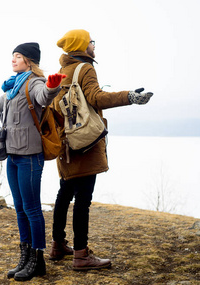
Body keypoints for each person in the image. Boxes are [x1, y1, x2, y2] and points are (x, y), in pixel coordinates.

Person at [50, 29, 153, 270]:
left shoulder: (62, 71)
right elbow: (96, 98)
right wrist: (129, 97)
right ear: (81, 45)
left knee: (64, 193)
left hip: (66, 142)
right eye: (91, 42)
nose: (93, 46)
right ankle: (81, 255)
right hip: (84, 141)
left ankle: (57, 245)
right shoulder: (85, 68)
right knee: (83, 200)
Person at [0, 42, 65, 281]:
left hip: (30, 157)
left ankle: (38, 259)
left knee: (32, 209)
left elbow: (44, 97)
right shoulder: (13, 86)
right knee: (20, 208)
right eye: (13, 56)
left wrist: (53, 86)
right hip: (12, 155)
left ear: (29, 61)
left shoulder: (34, 82)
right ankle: (25, 256)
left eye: (18, 56)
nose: (13, 60)